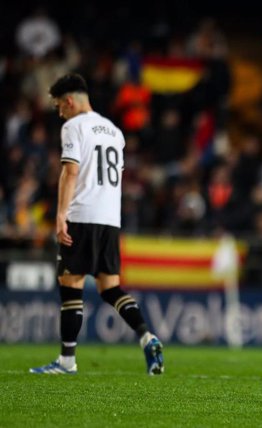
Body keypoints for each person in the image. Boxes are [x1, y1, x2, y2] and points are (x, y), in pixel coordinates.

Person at [29, 73, 164, 375]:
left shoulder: (73, 127)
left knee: (71, 287)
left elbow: (71, 172)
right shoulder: (115, 132)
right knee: (110, 288)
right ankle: (147, 336)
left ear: (68, 101)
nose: (59, 112)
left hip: (82, 215)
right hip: (109, 219)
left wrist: (61, 214)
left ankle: (66, 362)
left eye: (58, 106)